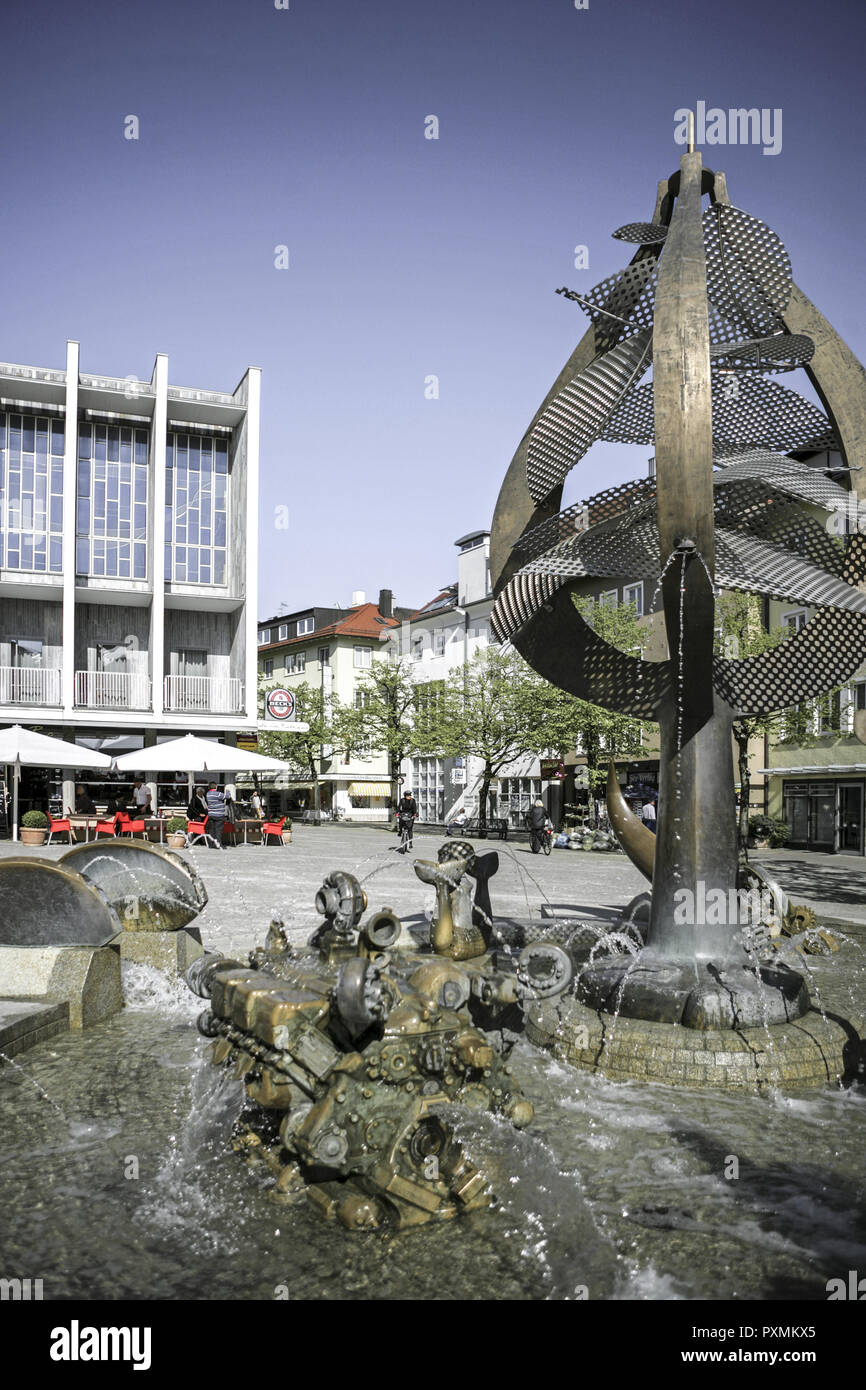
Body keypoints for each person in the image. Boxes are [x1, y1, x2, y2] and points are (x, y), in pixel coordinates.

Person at [204, 781, 227, 846]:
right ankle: (218, 844)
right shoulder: (218, 794)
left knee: (212, 830)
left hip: (211, 814)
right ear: (216, 787)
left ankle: (211, 844)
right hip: (219, 815)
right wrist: (228, 792)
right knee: (218, 830)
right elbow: (226, 796)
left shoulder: (208, 794)